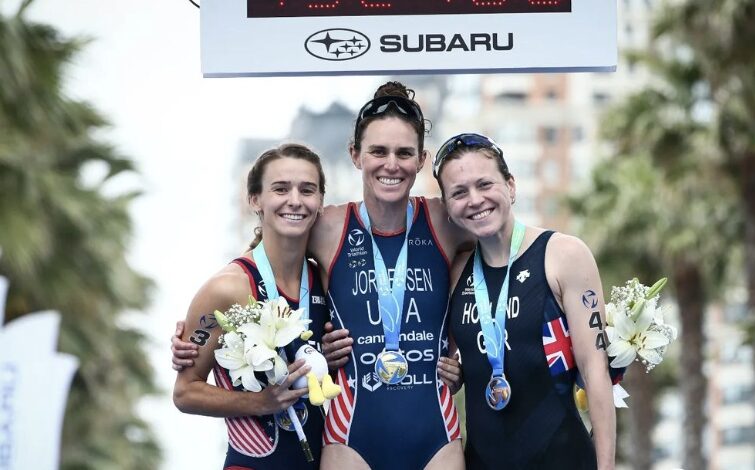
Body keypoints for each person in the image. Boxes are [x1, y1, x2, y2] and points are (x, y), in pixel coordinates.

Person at [173, 82, 467, 470]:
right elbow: (267, 253)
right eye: (378, 150)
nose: (391, 164)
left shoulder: (447, 222)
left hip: (433, 434)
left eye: (404, 153)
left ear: (421, 159)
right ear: (355, 155)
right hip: (345, 439)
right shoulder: (325, 229)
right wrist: (196, 329)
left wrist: (469, 357)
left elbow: (496, 261)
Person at [433, 133, 616, 469]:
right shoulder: (456, 271)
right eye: (459, 192)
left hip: (563, 458)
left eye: (484, 184)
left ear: (511, 187)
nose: (475, 200)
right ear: (447, 207)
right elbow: (449, 355)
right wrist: (455, 373)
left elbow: (596, 371)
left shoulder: (563, 255)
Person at [173, 143, 330, 469]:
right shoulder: (228, 288)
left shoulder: (326, 280)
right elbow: (185, 393)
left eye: (307, 190)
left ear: (320, 202)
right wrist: (259, 402)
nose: (295, 200)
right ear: (255, 200)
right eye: (281, 188)